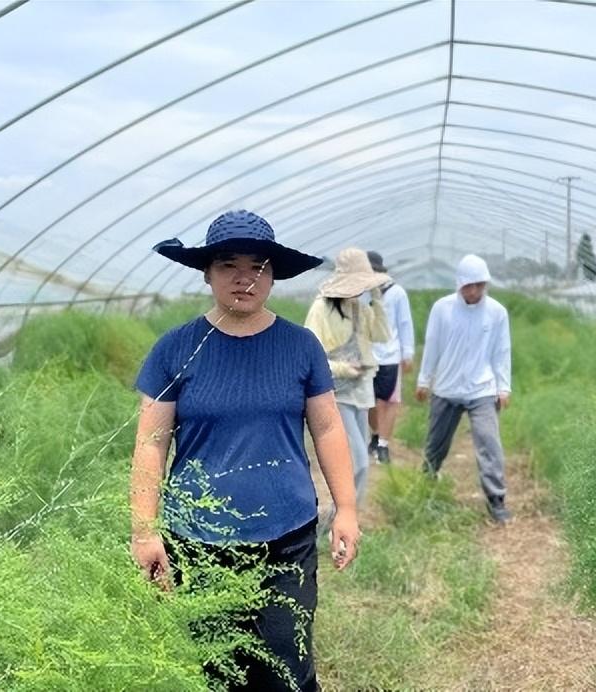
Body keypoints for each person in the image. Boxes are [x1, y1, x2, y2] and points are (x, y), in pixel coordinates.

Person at [129, 210, 360, 692]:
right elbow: (151, 446)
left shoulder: (300, 346)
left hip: (286, 536)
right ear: (207, 273)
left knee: (286, 668)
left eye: (258, 266)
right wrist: (145, 531)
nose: (244, 278)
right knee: (215, 670)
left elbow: (329, 428)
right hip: (199, 542)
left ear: (273, 274)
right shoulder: (176, 349)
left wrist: (347, 509)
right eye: (228, 264)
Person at [415, 253, 513, 524]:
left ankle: (497, 500)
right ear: (459, 285)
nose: (474, 291)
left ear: (486, 285)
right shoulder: (442, 309)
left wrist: (503, 387)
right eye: (469, 285)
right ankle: (426, 487)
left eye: (479, 285)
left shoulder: (496, 313)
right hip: (446, 389)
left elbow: (501, 351)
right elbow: (432, 345)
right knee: (436, 445)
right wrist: (424, 380)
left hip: (482, 390)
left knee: (488, 443)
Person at [304, 247, 390, 509]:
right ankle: (340, 516)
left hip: (359, 391)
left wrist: (376, 298)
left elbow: (382, 335)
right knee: (358, 462)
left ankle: (348, 517)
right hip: (334, 392)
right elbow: (311, 356)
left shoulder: (359, 308)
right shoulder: (321, 308)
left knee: (358, 459)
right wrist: (342, 368)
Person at [365, 250, 415, 465]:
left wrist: (408, 353)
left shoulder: (396, 293)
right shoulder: (361, 294)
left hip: (390, 356)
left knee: (389, 401)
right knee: (369, 402)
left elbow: (404, 323)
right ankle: (375, 434)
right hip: (366, 357)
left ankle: (384, 444)